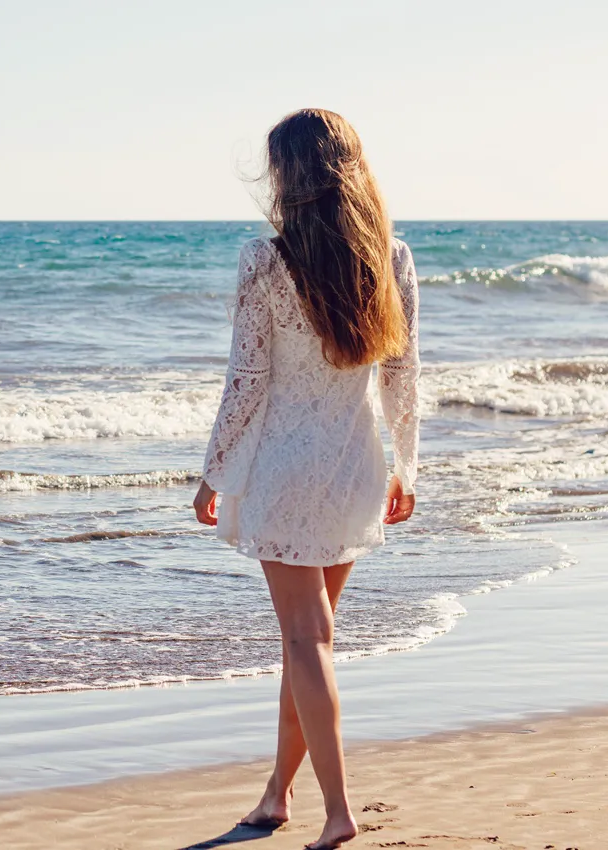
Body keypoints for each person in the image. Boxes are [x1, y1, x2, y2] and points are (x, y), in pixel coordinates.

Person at [193, 108, 420, 850]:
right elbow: (402, 376)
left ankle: (338, 812)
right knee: (309, 643)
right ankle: (276, 795)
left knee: (306, 639)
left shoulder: (265, 261)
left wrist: (212, 473)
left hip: (284, 471)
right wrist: (406, 465)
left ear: (290, 175)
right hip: (355, 467)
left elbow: (246, 381)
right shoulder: (391, 258)